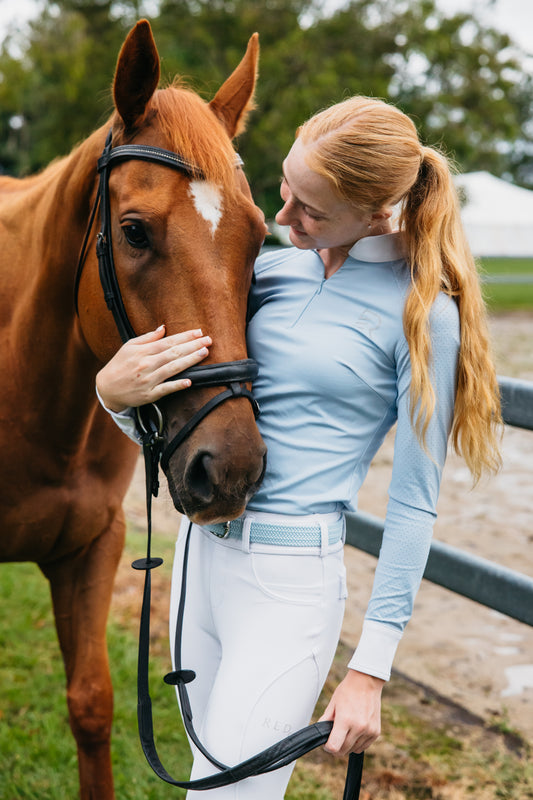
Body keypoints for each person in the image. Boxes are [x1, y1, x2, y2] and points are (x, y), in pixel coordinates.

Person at [96, 95, 502, 798]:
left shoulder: (422, 312)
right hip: (201, 563)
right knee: (203, 780)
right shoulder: (270, 272)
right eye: (283, 191)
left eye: (309, 210)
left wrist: (369, 671)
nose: (282, 220)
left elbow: (412, 505)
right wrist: (115, 396)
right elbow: (184, 427)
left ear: (376, 213)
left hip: (285, 584)